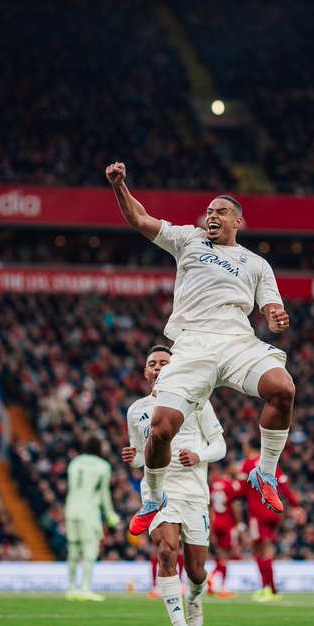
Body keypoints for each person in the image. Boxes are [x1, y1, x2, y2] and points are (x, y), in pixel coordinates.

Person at [106, 162, 297, 537]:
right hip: (192, 344)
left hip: (237, 341)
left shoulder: (256, 264)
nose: (212, 215)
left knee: (283, 388)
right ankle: (154, 497)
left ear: (237, 221)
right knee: (161, 430)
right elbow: (140, 219)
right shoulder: (188, 239)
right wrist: (119, 186)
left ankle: (266, 472)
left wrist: (275, 317)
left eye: (221, 211)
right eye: (209, 211)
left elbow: (271, 306)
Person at [123, 344, 228, 626]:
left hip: (194, 493)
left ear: (174, 368)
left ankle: (195, 596)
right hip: (160, 492)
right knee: (167, 551)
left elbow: (220, 446)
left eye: (163, 362)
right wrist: (133, 458)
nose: (158, 367)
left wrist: (198, 454)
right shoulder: (136, 411)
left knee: (195, 571)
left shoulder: (197, 401)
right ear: (146, 373)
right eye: (152, 363)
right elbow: (143, 459)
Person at [240, 443, 305, 602]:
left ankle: (267, 588)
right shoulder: (271, 463)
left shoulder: (248, 464)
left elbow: (241, 490)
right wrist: (296, 507)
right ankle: (272, 589)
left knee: (260, 551)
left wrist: (227, 498)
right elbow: (284, 486)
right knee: (266, 549)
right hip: (273, 513)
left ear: (249, 448)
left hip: (257, 513)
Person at [64, 438, 120, 601]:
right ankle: (85, 589)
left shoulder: (74, 462)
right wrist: (110, 516)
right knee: (90, 549)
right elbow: (103, 493)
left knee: (73, 549)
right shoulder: (103, 466)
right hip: (88, 511)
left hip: (71, 509)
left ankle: (72, 589)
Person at [208, 464, 245, 598]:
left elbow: (211, 507)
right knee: (226, 556)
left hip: (216, 522)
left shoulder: (215, 484)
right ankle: (221, 585)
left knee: (221, 554)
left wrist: (212, 524)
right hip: (228, 523)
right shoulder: (232, 484)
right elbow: (235, 505)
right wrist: (240, 525)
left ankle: (213, 579)